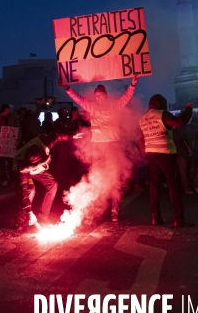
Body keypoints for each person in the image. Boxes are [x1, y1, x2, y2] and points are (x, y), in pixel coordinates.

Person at [59, 76, 139, 222]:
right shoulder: (92, 106)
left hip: (112, 146)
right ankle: (98, 208)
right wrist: (67, 88)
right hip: (97, 147)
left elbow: (127, 96)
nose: (98, 98)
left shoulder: (115, 105)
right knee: (96, 176)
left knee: (114, 179)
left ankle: (115, 210)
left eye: (101, 96)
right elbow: (78, 99)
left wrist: (133, 84)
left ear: (106, 95)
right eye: (96, 96)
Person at [138, 94, 193, 227]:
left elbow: (140, 139)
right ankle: (178, 219)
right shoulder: (162, 114)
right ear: (163, 104)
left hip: (151, 154)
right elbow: (180, 122)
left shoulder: (142, 119)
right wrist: (188, 109)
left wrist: (144, 152)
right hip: (166, 154)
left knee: (154, 187)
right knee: (173, 185)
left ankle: (155, 218)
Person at [12, 129, 83, 232]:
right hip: (26, 172)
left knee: (53, 184)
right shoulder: (22, 168)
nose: (45, 166)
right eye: (41, 164)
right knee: (30, 191)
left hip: (38, 170)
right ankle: (20, 221)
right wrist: (29, 212)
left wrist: (72, 136)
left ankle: (42, 217)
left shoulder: (44, 143)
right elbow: (22, 193)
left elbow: (57, 135)